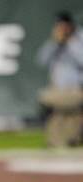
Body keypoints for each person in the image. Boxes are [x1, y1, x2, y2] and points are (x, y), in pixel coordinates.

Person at [37, 12, 83, 148]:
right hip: (58, 89)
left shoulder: (79, 39)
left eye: (64, 26)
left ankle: (71, 140)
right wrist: (55, 43)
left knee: (72, 115)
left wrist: (70, 43)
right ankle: (55, 142)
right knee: (54, 113)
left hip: (77, 88)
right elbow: (41, 60)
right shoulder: (55, 42)